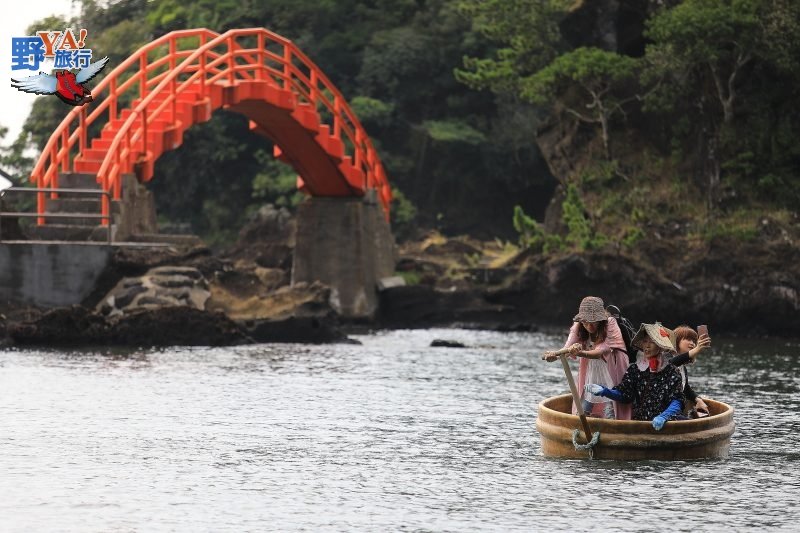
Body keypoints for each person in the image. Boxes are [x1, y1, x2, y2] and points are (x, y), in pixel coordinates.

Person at [543, 296, 631, 420]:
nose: (589, 326)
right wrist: (555, 355)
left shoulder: (610, 324)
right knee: (583, 409)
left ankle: (611, 427)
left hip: (612, 370)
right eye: (585, 322)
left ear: (600, 319)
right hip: (592, 371)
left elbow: (599, 352)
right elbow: (568, 348)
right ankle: (581, 425)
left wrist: (579, 352)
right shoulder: (578, 326)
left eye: (592, 322)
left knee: (610, 409)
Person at [586, 322, 685, 430]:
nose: (647, 346)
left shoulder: (672, 371)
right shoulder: (635, 369)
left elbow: (677, 401)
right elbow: (625, 395)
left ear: (661, 347)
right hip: (642, 424)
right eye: (645, 341)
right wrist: (604, 391)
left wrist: (663, 417)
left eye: (652, 342)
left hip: (666, 425)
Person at [670, 325, 712, 418]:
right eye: (688, 339)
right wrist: (698, 348)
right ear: (676, 340)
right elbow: (672, 363)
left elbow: (686, 389)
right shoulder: (666, 359)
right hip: (665, 412)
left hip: (677, 410)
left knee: (704, 413)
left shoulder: (682, 368)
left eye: (694, 341)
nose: (692, 343)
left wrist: (698, 400)